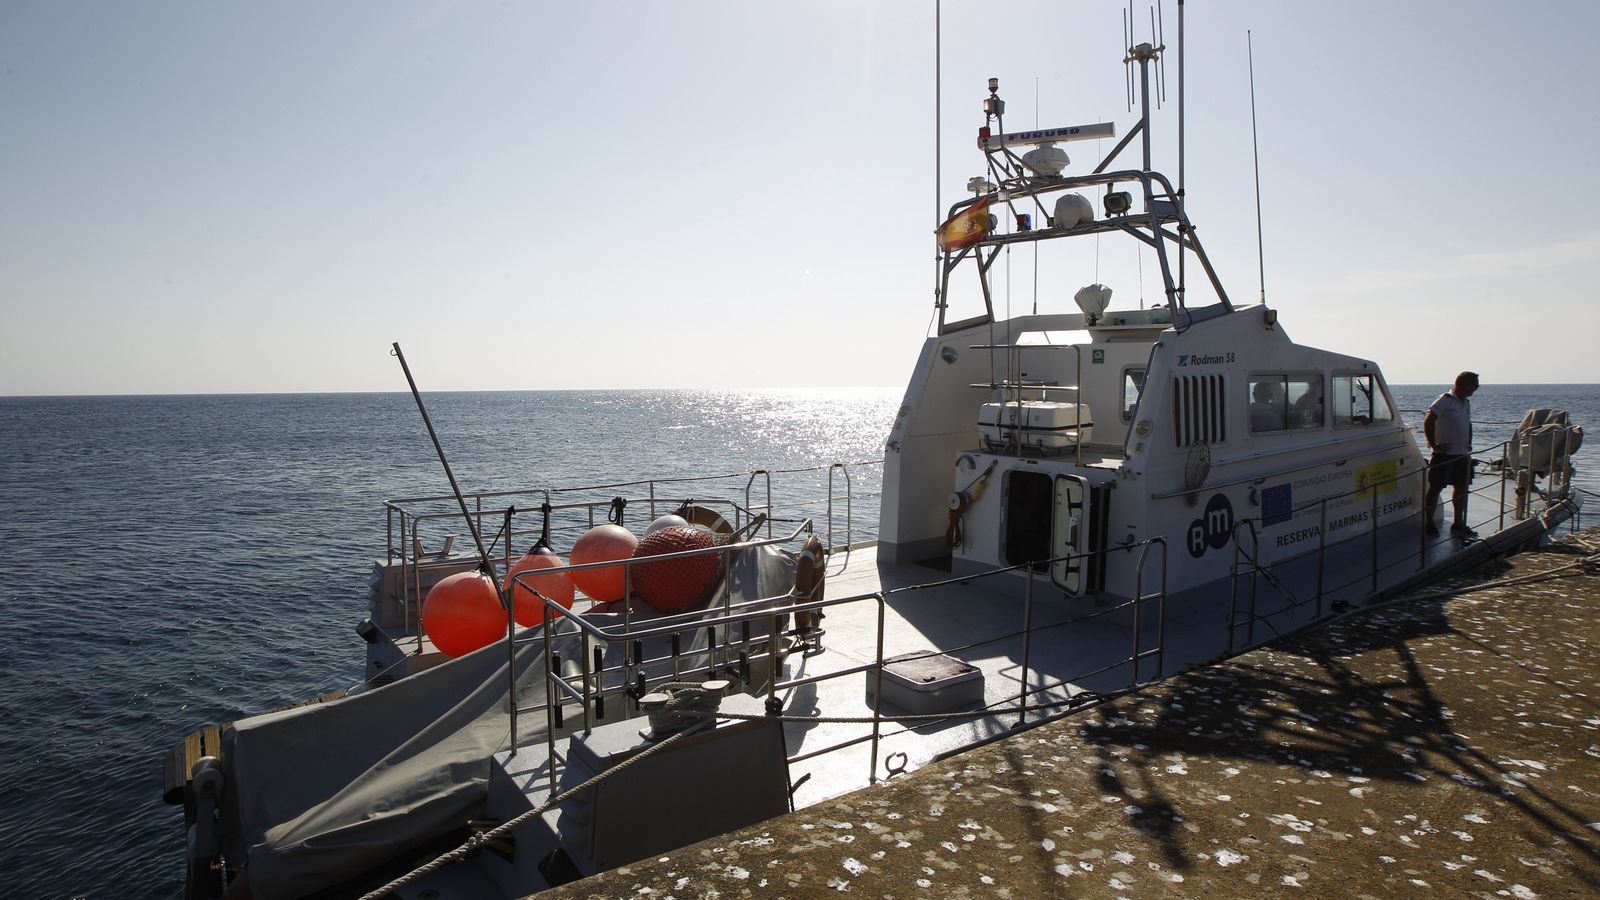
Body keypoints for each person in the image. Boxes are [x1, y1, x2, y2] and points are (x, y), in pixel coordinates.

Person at [1422, 371, 1479, 537]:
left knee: (1462, 487)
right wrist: (1434, 444)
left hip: (1461, 453)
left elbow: (1467, 423)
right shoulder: (1445, 400)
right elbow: (1429, 420)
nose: (1475, 389)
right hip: (1444, 454)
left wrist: (1469, 442)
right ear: (1464, 384)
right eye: (1474, 385)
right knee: (1436, 487)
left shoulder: (1465, 403)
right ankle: (1429, 522)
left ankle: (1458, 522)